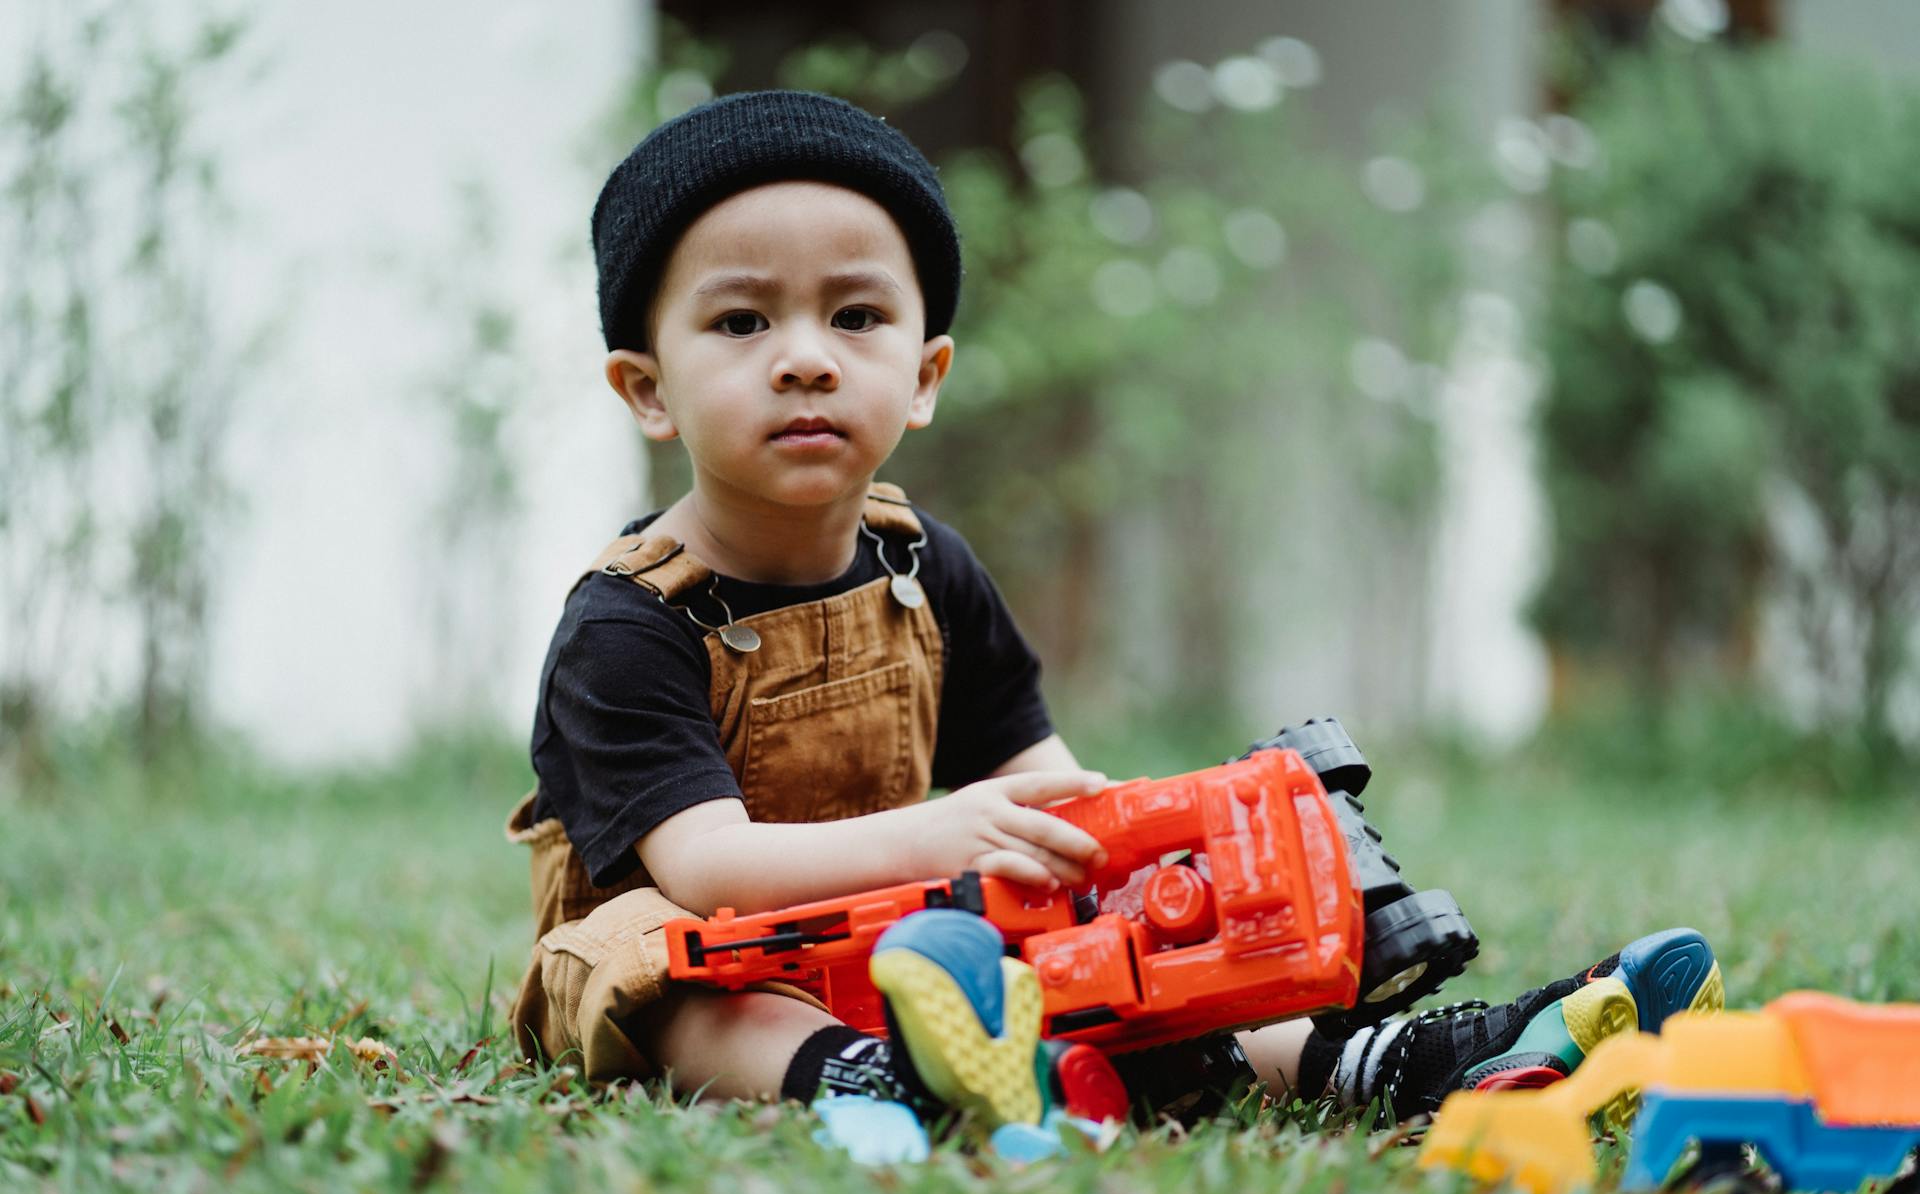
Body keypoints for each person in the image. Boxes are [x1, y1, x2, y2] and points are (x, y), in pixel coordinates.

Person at [506, 89, 1722, 1137]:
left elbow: (1051, 783)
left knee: (1119, 943)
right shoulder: (630, 623)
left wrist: (1152, 860)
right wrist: (942, 839)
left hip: (911, 940)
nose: (807, 357)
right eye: (742, 321)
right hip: (714, 952)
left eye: (857, 315)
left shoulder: (925, 569)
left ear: (925, 375)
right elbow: (709, 869)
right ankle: (881, 1083)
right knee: (681, 983)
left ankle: (1379, 1057)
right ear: (647, 389)